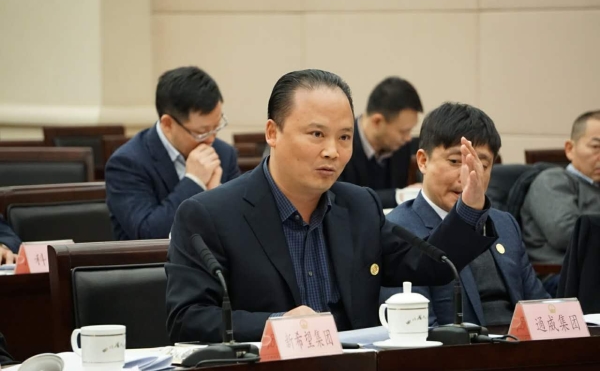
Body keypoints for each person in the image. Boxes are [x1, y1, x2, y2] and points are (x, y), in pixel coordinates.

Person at [165, 69, 499, 343]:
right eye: (316, 134)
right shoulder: (210, 214)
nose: (332, 151)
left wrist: (470, 207)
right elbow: (188, 319)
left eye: (344, 137)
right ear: (272, 133)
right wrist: (277, 324)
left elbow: (432, 265)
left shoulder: (359, 206)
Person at [385, 103, 549, 327]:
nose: (468, 177)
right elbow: (417, 331)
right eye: (455, 161)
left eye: (481, 165)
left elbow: (540, 309)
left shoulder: (504, 224)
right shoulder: (398, 230)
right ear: (423, 161)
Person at [105, 66, 240, 240]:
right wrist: (194, 181)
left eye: (216, 127)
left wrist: (217, 196)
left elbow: (243, 226)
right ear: (168, 124)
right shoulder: (126, 163)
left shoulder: (224, 154)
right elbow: (148, 233)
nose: (211, 139)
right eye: (202, 132)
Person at [521, 110, 600, 296]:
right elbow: (566, 233)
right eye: (596, 147)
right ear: (570, 149)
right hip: (560, 277)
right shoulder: (552, 180)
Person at [339, 77, 423, 208]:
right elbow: (342, 199)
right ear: (377, 121)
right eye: (403, 131)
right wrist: (398, 196)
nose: (408, 138)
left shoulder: (401, 147)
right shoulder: (341, 144)